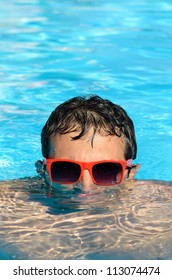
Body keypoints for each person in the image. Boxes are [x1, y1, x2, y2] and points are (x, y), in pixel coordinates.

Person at [36, 95, 140, 193]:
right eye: (67, 169)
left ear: (131, 173)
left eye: (105, 170)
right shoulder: (23, 203)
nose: (85, 188)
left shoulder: (152, 206)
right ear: (42, 171)